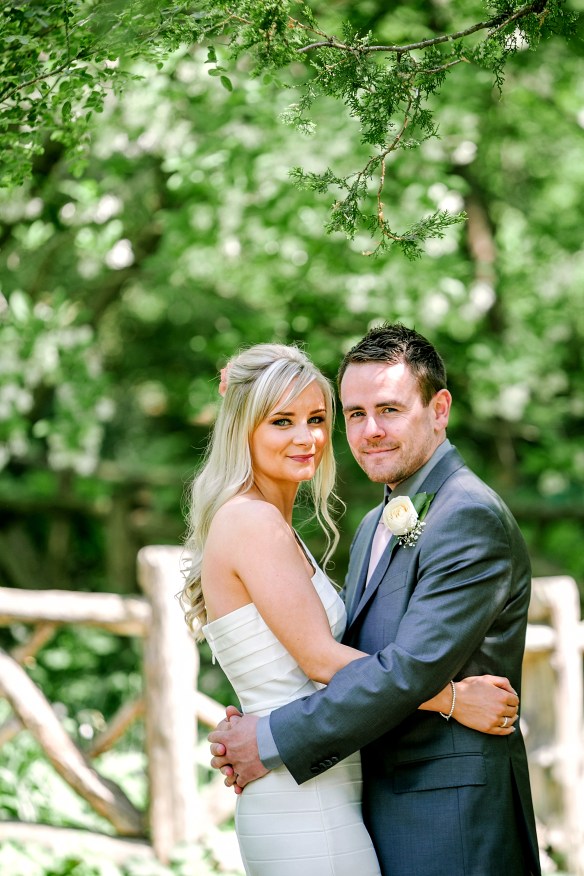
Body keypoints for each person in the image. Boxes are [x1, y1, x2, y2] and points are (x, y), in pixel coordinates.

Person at [207, 327, 540, 876]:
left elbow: (404, 671)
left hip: (449, 818)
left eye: (389, 409)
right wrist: (453, 697)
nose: (370, 430)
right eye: (355, 413)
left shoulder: (467, 517)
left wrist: (266, 734)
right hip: (356, 802)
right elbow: (338, 661)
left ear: (439, 410)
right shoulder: (373, 524)